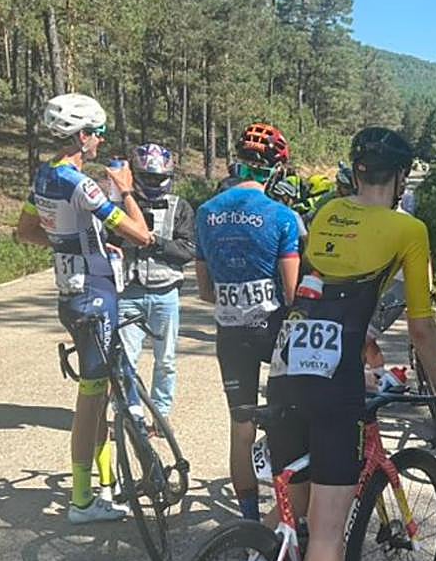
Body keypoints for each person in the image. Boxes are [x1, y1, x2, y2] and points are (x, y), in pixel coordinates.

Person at [256, 127, 436, 561]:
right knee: (325, 533)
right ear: (400, 179)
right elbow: (420, 326)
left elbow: (326, 290)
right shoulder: (408, 228)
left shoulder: (325, 214)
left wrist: (364, 341)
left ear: (354, 171)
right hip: (335, 384)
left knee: (285, 519)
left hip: (287, 367)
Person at [15, 93, 155, 522]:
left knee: (103, 391)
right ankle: (81, 500)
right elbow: (142, 234)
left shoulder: (43, 177)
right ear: (82, 136)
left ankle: (105, 485)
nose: (100, 141)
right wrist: (128, 192)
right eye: (98, 132)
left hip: (71, 293)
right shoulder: (81, 183)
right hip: (96, 296)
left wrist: (74, 244)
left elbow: (24, 232)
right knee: (92, 400)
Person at [194, 122, 301, 521]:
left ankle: (249, 520)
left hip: (231, 335)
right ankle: (289, 516)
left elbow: (205, 291)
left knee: (242, 429)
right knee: (284, 425)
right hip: (275, 333)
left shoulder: (206, 213)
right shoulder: (282, 216)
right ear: (275, 169)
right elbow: (292, 293)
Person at [118, 143, 197, 430]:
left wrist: (154, 242)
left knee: (166, 360)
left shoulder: (180, 207)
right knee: (125, 359)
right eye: (146, 177)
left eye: (157, 178)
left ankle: (161, 414)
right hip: (129, 291)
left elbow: (188, 249)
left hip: (166, 293)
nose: (152, 183)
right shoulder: (120, 205)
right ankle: (128, 413)